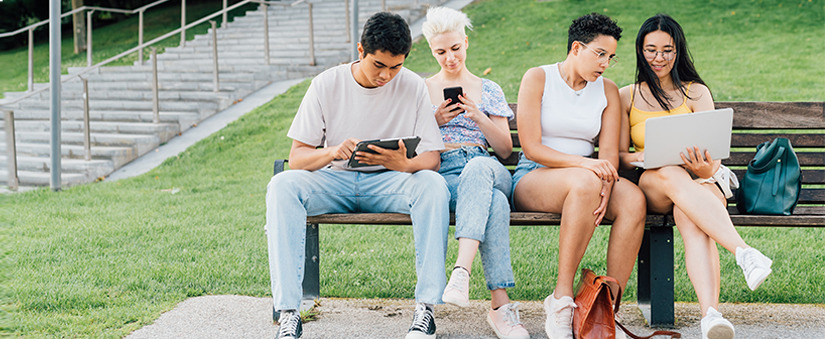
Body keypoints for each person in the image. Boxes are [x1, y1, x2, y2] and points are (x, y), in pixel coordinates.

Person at [265, 12, 450, 339]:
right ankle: (289, 312)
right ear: (360, 50)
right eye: (379, 65)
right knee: (282, 185)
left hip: (389, 183)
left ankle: (425, 309)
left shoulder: (413, 86)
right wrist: (332, 152)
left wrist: (403, 163)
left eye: (396, 67)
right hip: (335, 181)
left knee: (433, 185)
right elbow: (297, 158)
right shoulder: (326, 84)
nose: (386, 75)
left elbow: (432, 157)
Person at [618, 14, 773, 339]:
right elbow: (619, 156)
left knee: (691, 217)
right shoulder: (626, 95)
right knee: (670, 173)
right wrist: (641, 156)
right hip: (654, 182)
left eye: (667, 50)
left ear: (678, 51)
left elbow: (712, 162)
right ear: (640, 50)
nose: (659, 58)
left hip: (698, 180)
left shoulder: (696, 92)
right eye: (651, 50)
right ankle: (743, 253)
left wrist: (703, 167)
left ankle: (711, 316)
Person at [512, 13, 646, 339]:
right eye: (600, 54)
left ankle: (605, 309)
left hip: (589, 179)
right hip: (536, 176)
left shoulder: (608, 90)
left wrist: (606, 182)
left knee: (633, 200)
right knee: (585, 182)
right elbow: (531, 148)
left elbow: (608, 155)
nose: (605, 64)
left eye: (611, 57)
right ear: (576, 48)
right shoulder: (538, 78)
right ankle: (561, 299)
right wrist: (586, 167)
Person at [421, 7, 529, 339]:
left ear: (465, 43)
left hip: (487, 165)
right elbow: (413, 147)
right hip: (446, 172)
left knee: (480, 169)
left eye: (455, 48)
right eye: (441, 52)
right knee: (494, 204)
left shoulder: (489, 89)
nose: (450, 58)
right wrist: (434, 122)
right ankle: (500, 307)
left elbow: (505, 150)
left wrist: (478, 115)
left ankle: (461, 271)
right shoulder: (422, 90)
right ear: (432, 51)